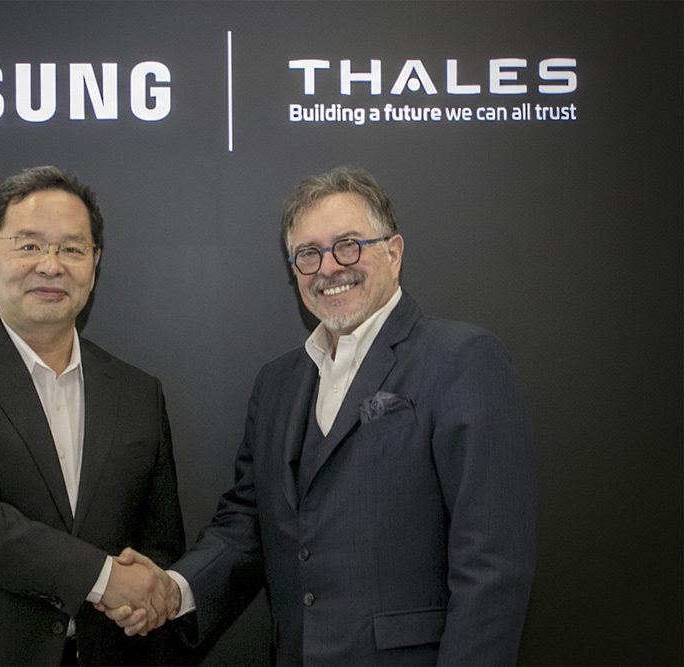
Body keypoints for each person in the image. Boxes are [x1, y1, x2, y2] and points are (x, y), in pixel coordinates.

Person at [103, 165, 536, 665]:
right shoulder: (277, 383)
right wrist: (175, 588)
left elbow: (492, 565)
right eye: (308, 254)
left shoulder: (462, 359)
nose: (329, 267)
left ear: (393, 253)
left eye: (348, 245)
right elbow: (248, 521)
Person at [0, 166, 185, 666]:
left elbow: (160, 540)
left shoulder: (139, 392)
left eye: (72, 249)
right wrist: (105, 579)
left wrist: (145, 598)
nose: (51, 266)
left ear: (94, 264)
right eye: (28, 246)